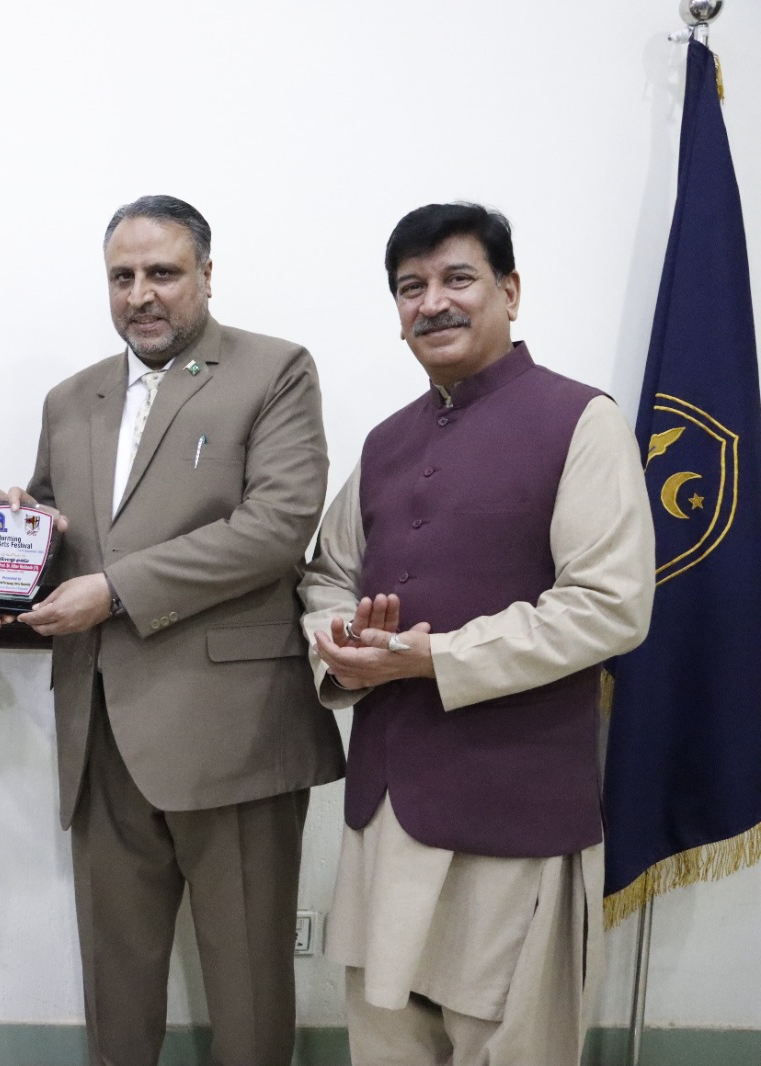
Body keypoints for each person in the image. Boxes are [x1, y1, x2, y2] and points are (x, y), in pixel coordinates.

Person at [0, 194, 344, 1066]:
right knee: (116, 990)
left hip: (234, 731)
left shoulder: (275, 369)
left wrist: (113, 591)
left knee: (248, 991)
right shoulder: (73, 399)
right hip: (98, 730)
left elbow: (277, 527)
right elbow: (67, 539)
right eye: (122, 276)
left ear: (207, 275)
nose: (140, 294)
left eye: (163, 273)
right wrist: (18, 529)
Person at [298, 203, 655, 1065]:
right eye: (410, 287)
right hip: (385, 818)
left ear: (510, 291)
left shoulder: (583, 421)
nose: (432, 303)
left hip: (513, 813)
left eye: (457, 279)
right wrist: (339, 643)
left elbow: (610, 604)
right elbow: (326, 574)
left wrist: (436, 658)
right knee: (386, 1046)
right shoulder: (386, 442)